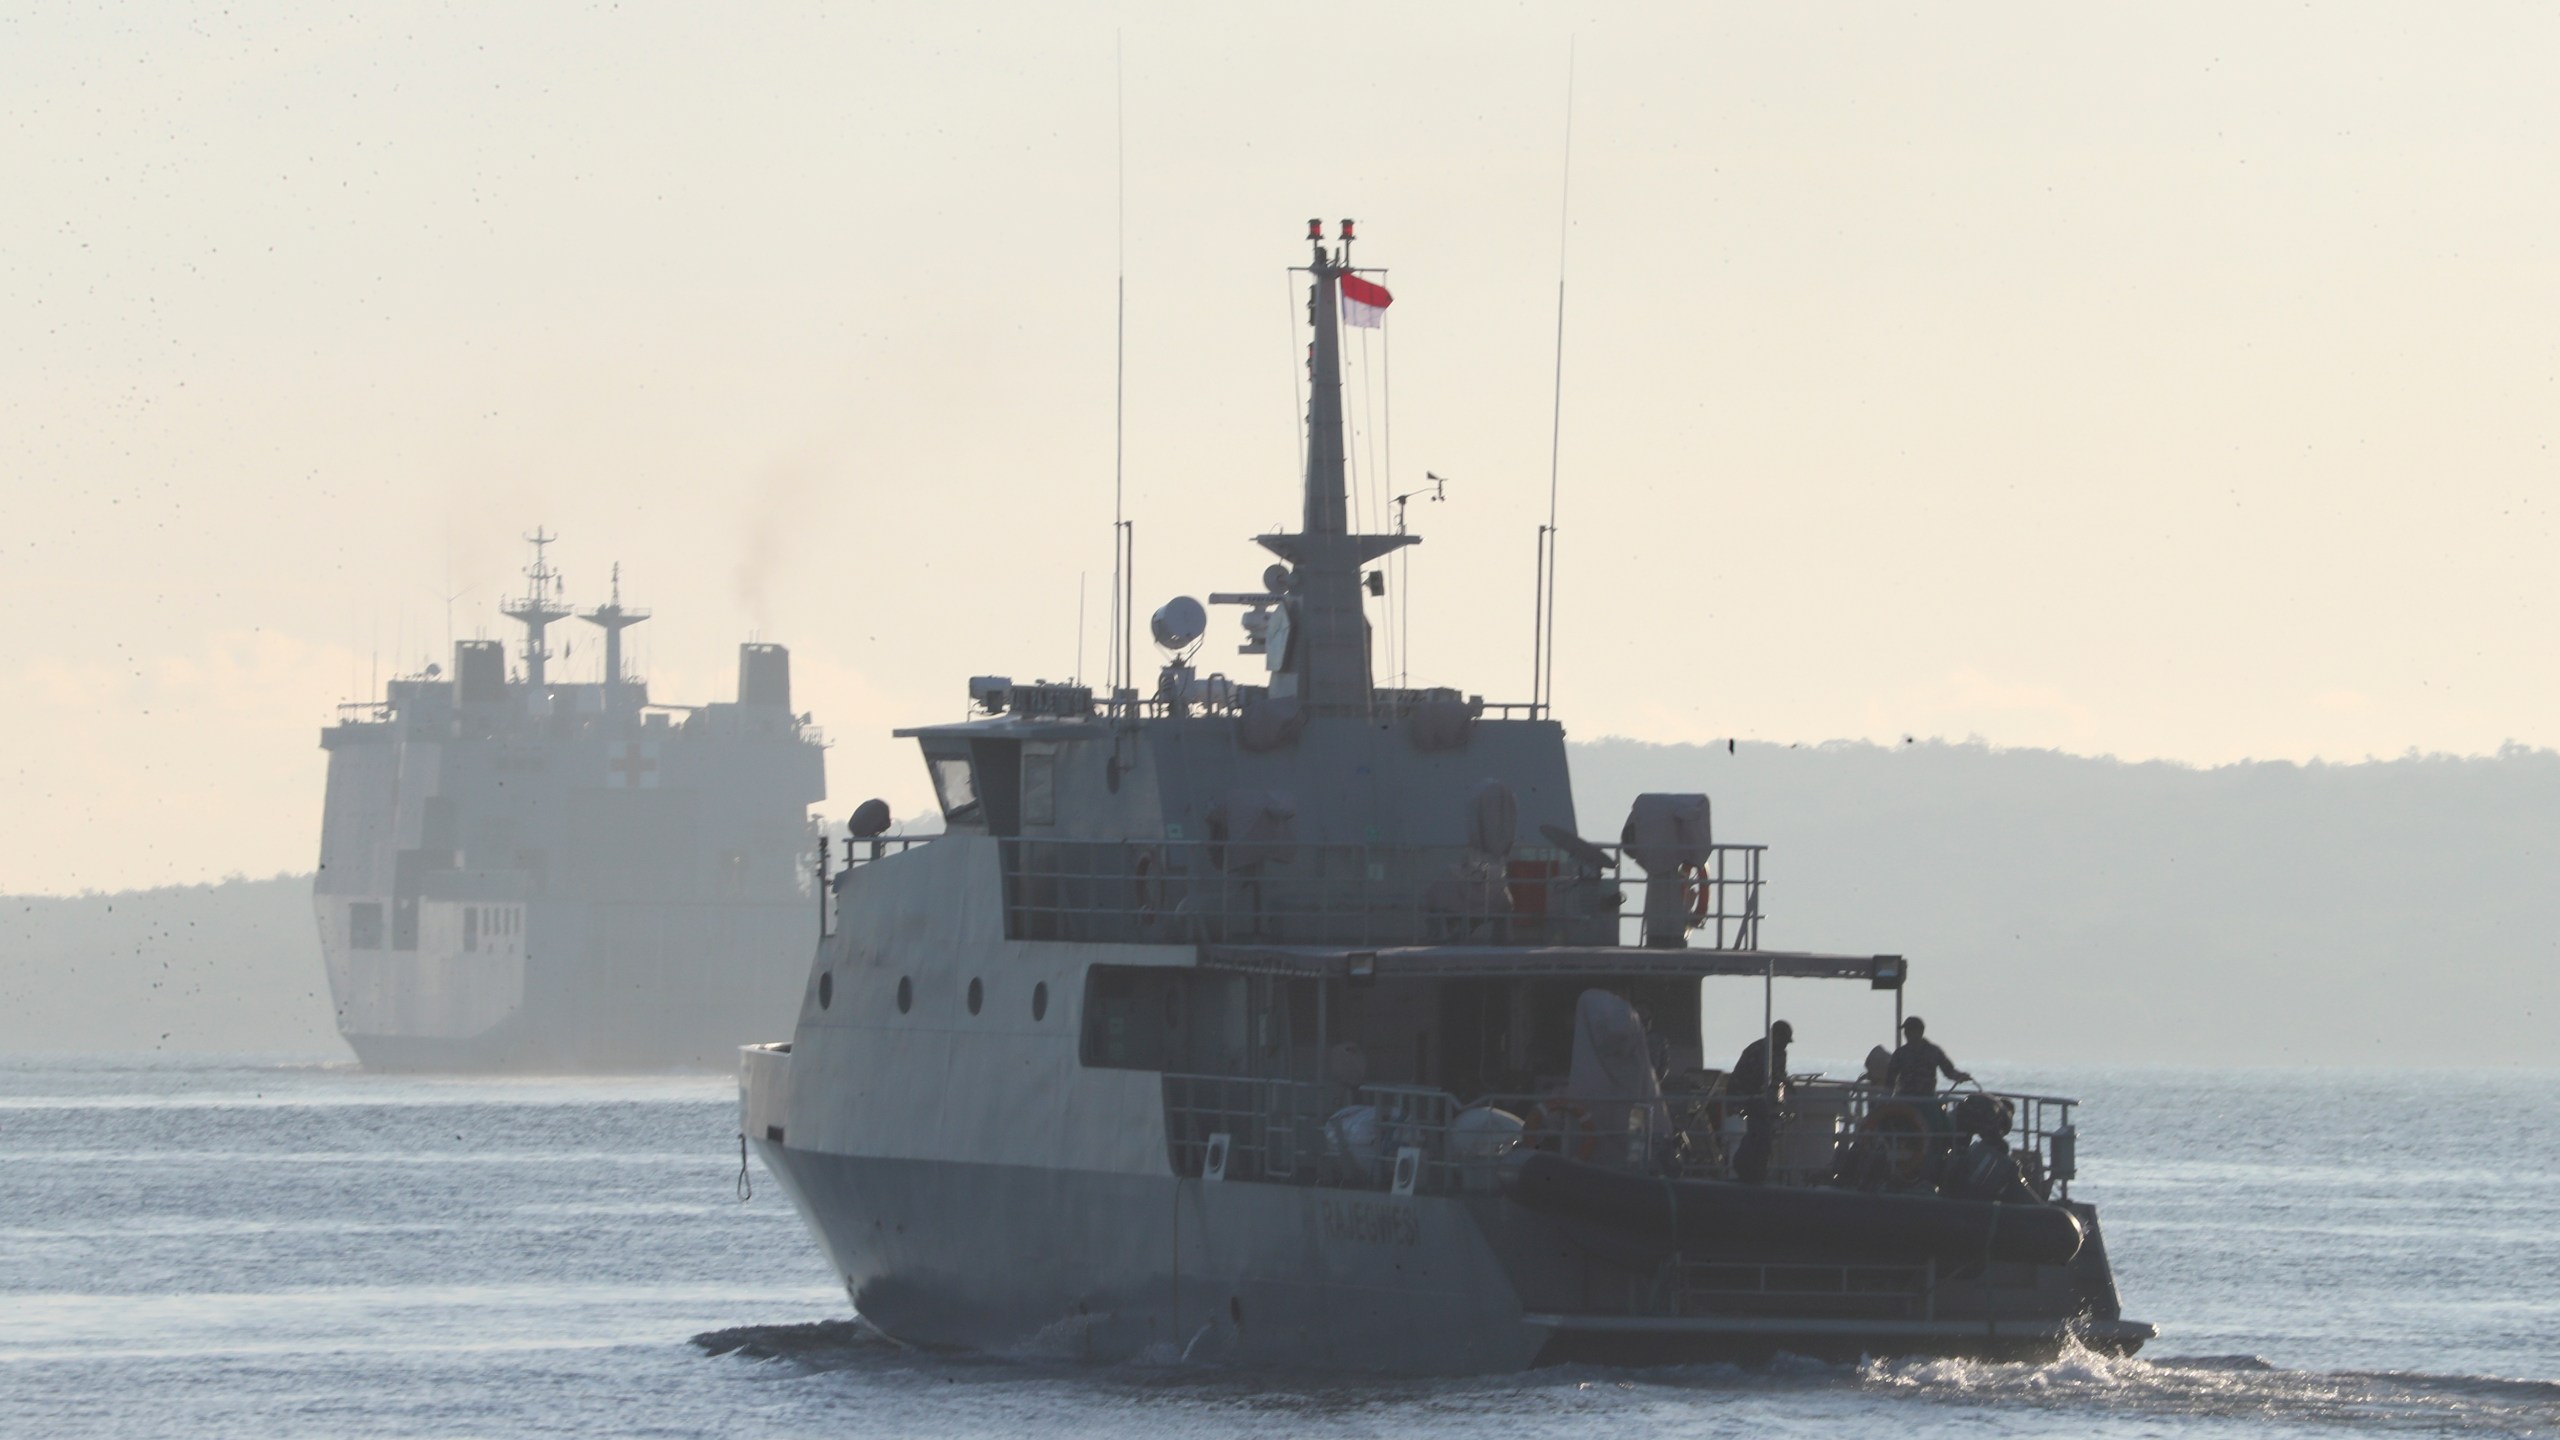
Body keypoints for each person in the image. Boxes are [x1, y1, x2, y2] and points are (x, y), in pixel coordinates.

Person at [1727, 1020, 1791, 1185]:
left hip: (1760, 1101)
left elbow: (1778, 1075)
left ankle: (1759, 1169)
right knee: (1758, 1134)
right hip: (1746, 1097)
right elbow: (1755, 1078)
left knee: (1765, 1134)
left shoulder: (1779, 1053)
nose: (1784, 1045)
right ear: (1775, 1036)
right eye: (1783, 1040)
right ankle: (1750, 1170)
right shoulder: (1759, 1050)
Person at [1885, 1016, 1971, 1096]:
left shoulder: (1934, 1051)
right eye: (1906, 1030)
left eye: (1911, 1030)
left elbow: (1949, 1071)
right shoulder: (1900, 1053)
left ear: (1921, 1031)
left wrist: (1960, 1077)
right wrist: (1887, 1098)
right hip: (1905, 1100)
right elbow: (1890, 1078)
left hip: (1927, 1099)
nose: (1906, 1033)